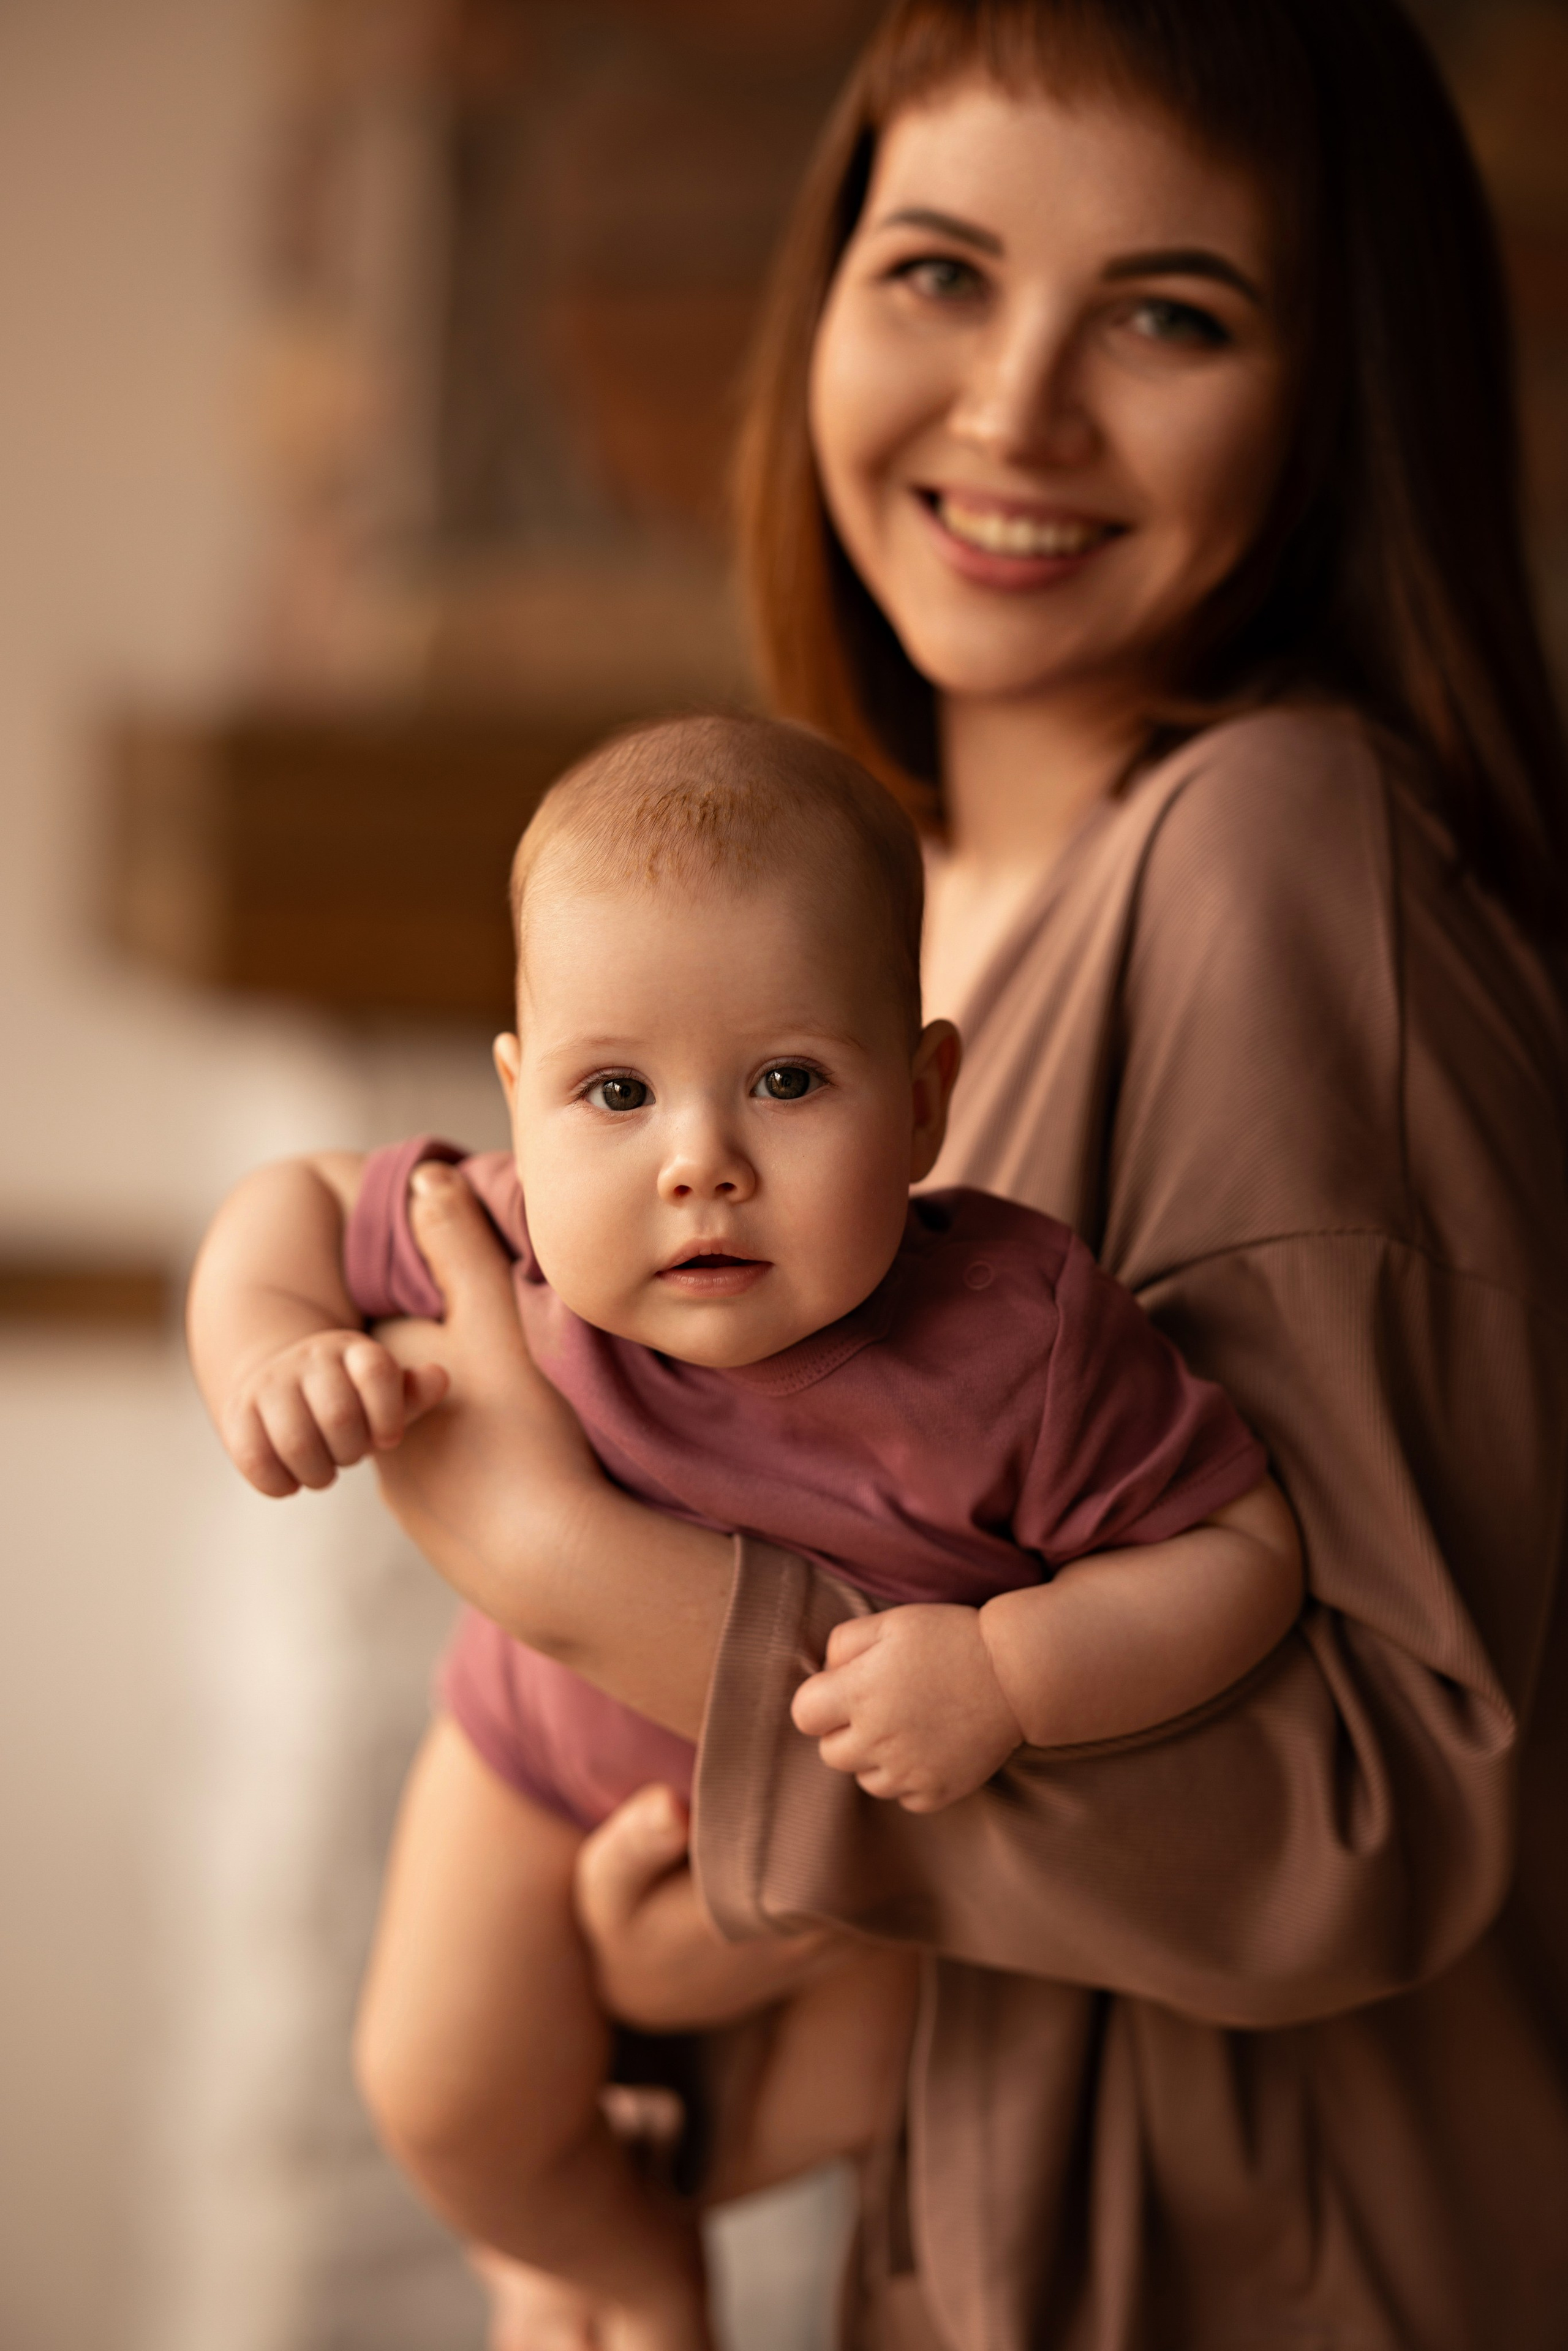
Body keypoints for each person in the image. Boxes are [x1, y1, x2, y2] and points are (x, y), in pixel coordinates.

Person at [304, 2, 1568, 2344]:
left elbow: (1369, 1815)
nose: (1013, 411)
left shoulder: (1283, 862)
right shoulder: (848, 923)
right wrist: (643, 2035)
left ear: (1333, 398)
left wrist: (584, 1579)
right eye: (942, 273)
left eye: (1170, 313)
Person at [187, 712, 1300, 2351]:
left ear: (924, 1101)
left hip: (850, 1862)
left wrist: (1010, 1669)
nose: (699, 1162)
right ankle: (619, 2269)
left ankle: (654, 2200)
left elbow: (1242, 1559)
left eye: (787, 1081)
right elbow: (281, 1202)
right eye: (616, 1091)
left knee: (856, 2100)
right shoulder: (508, 1235)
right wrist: (270, 1352)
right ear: (522, 1096)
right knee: (437, 2097)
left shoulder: (1024, 1339)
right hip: (532, 1766)